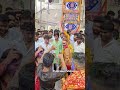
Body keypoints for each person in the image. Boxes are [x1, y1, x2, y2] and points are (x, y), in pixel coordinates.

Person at [90, 21, 120, 90]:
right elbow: (93, 57)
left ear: (112, 33)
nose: (102, 34)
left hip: (108, 83)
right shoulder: (96, 41)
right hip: (95, 80)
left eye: (105, 32)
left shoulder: (116, 48)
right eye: (101, 32)